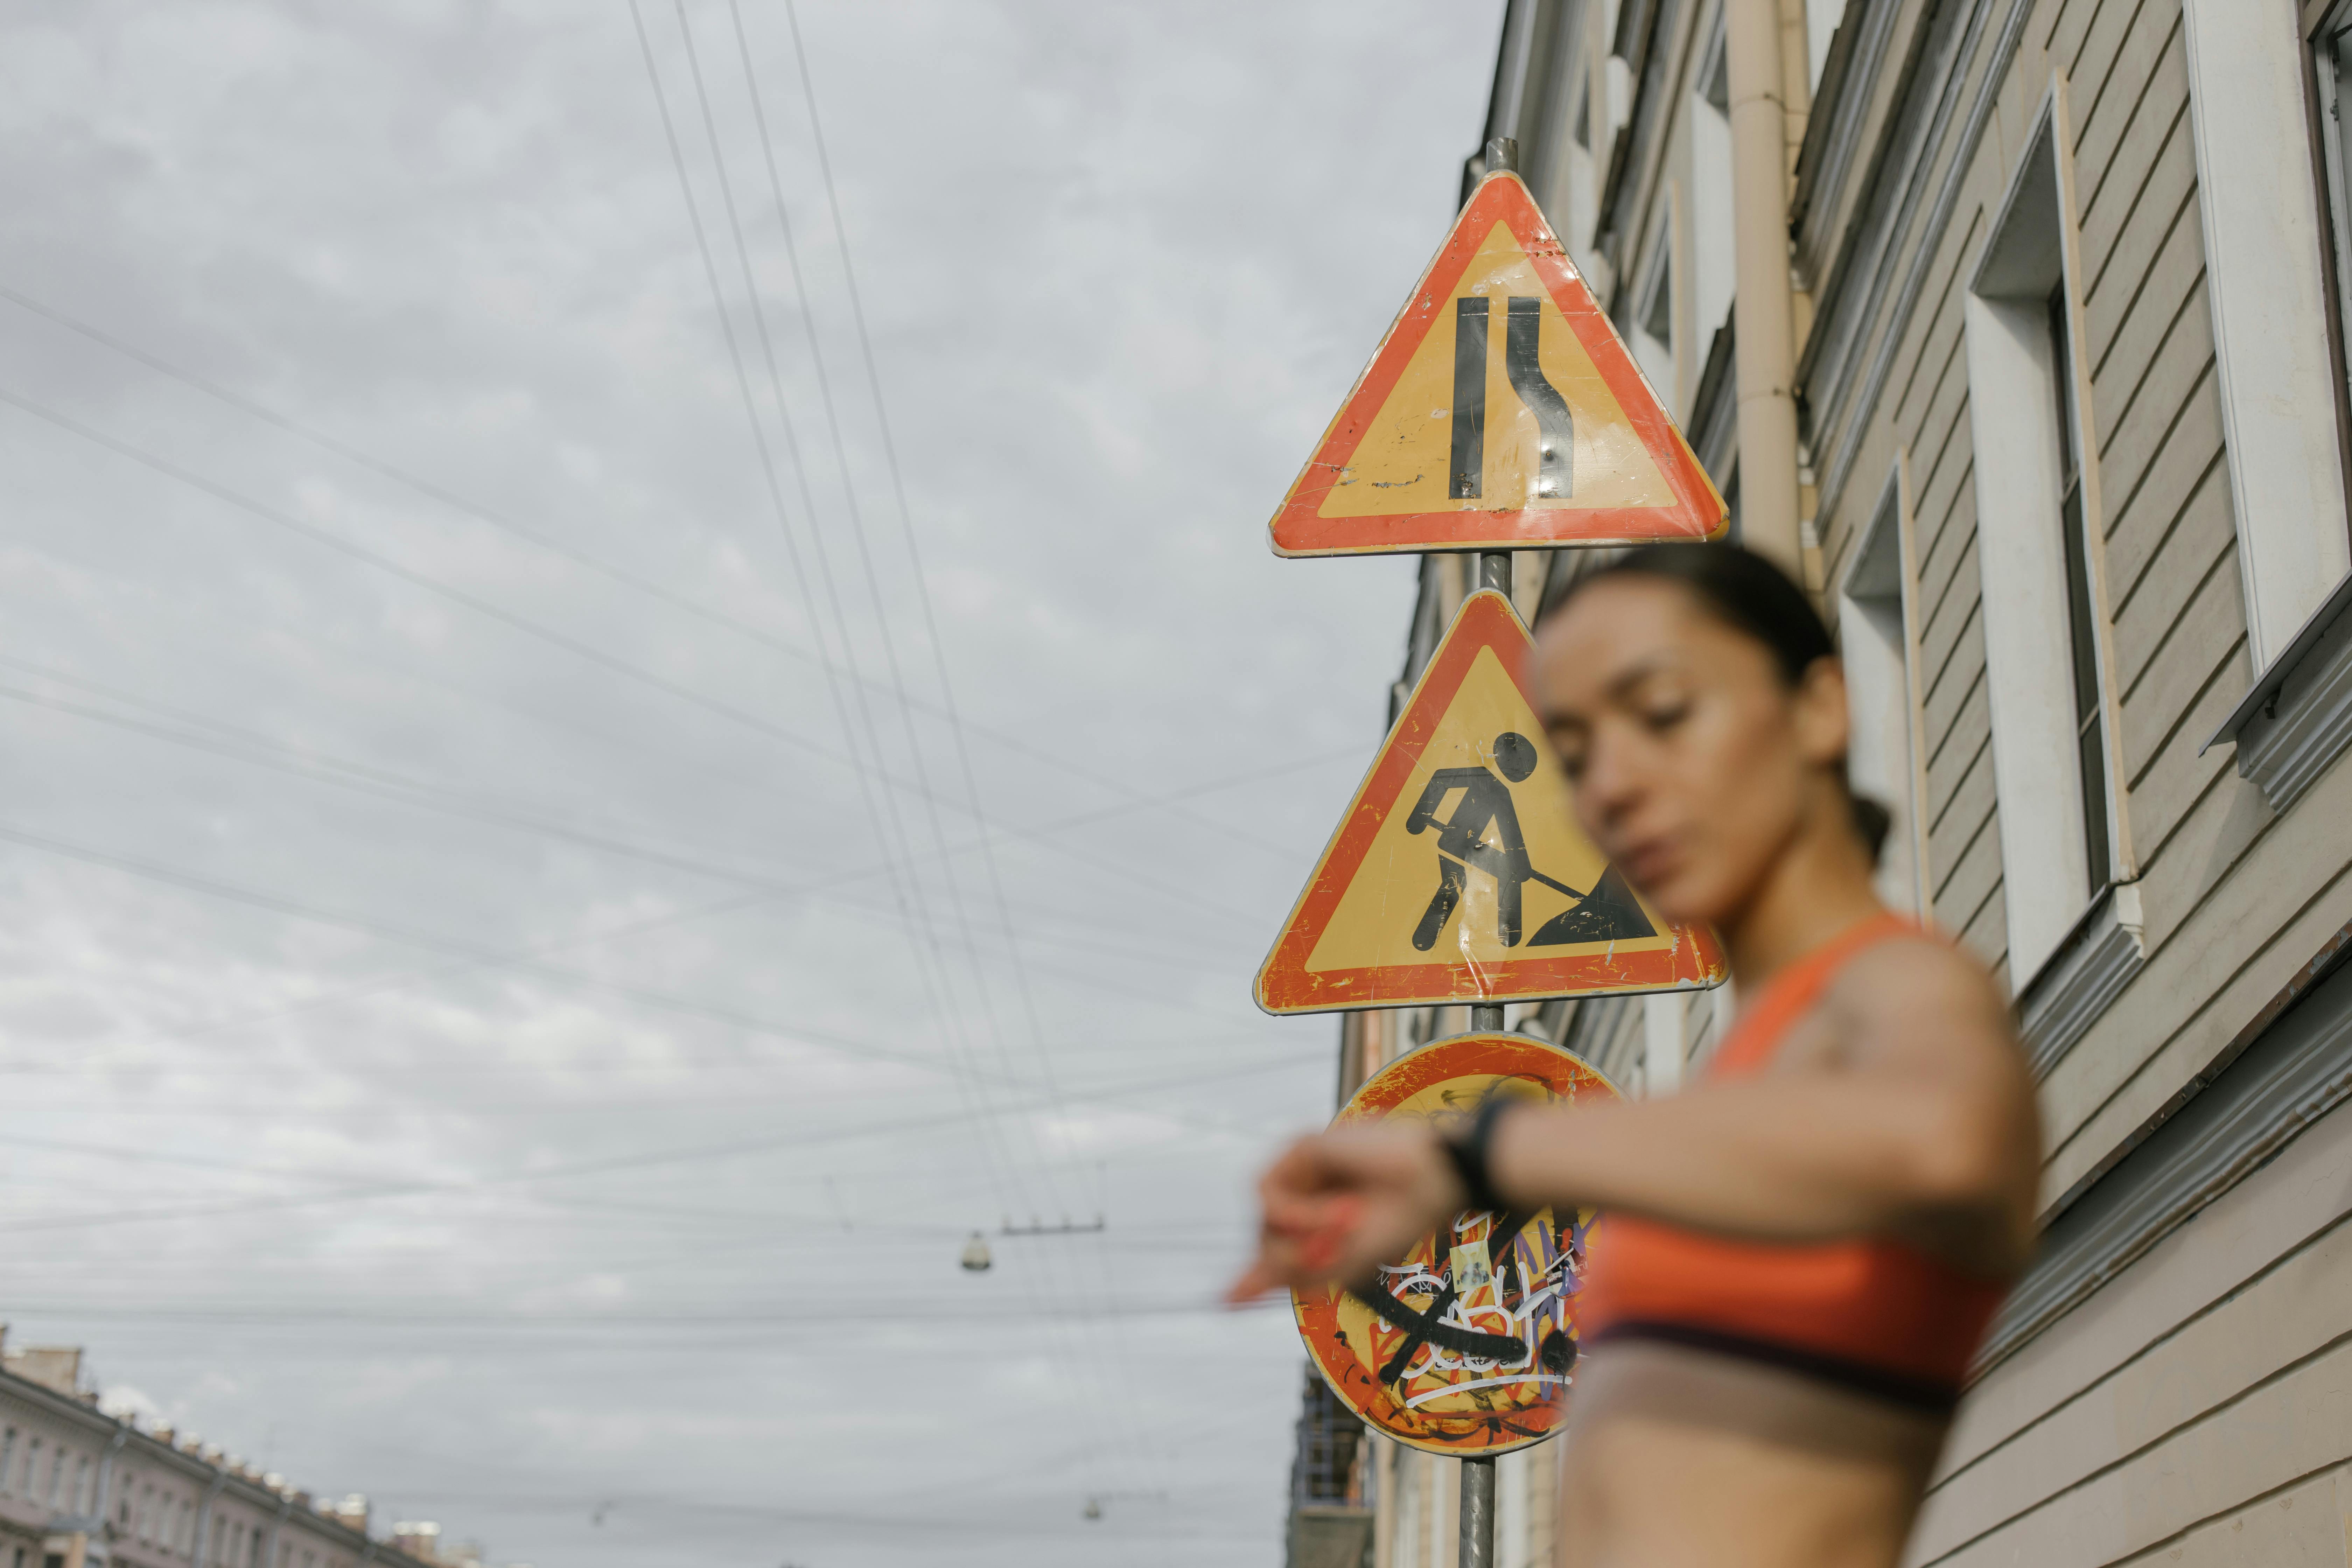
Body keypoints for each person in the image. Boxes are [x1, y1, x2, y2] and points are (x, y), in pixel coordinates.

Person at [1230, 544, 2040, 1568]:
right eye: (1573, 753)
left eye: (1663, 713)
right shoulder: (1765, 1067)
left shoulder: (1897, 986)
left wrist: (1475, 1160)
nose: (1611, 784)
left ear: (1819, 710)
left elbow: (1944, 1140)